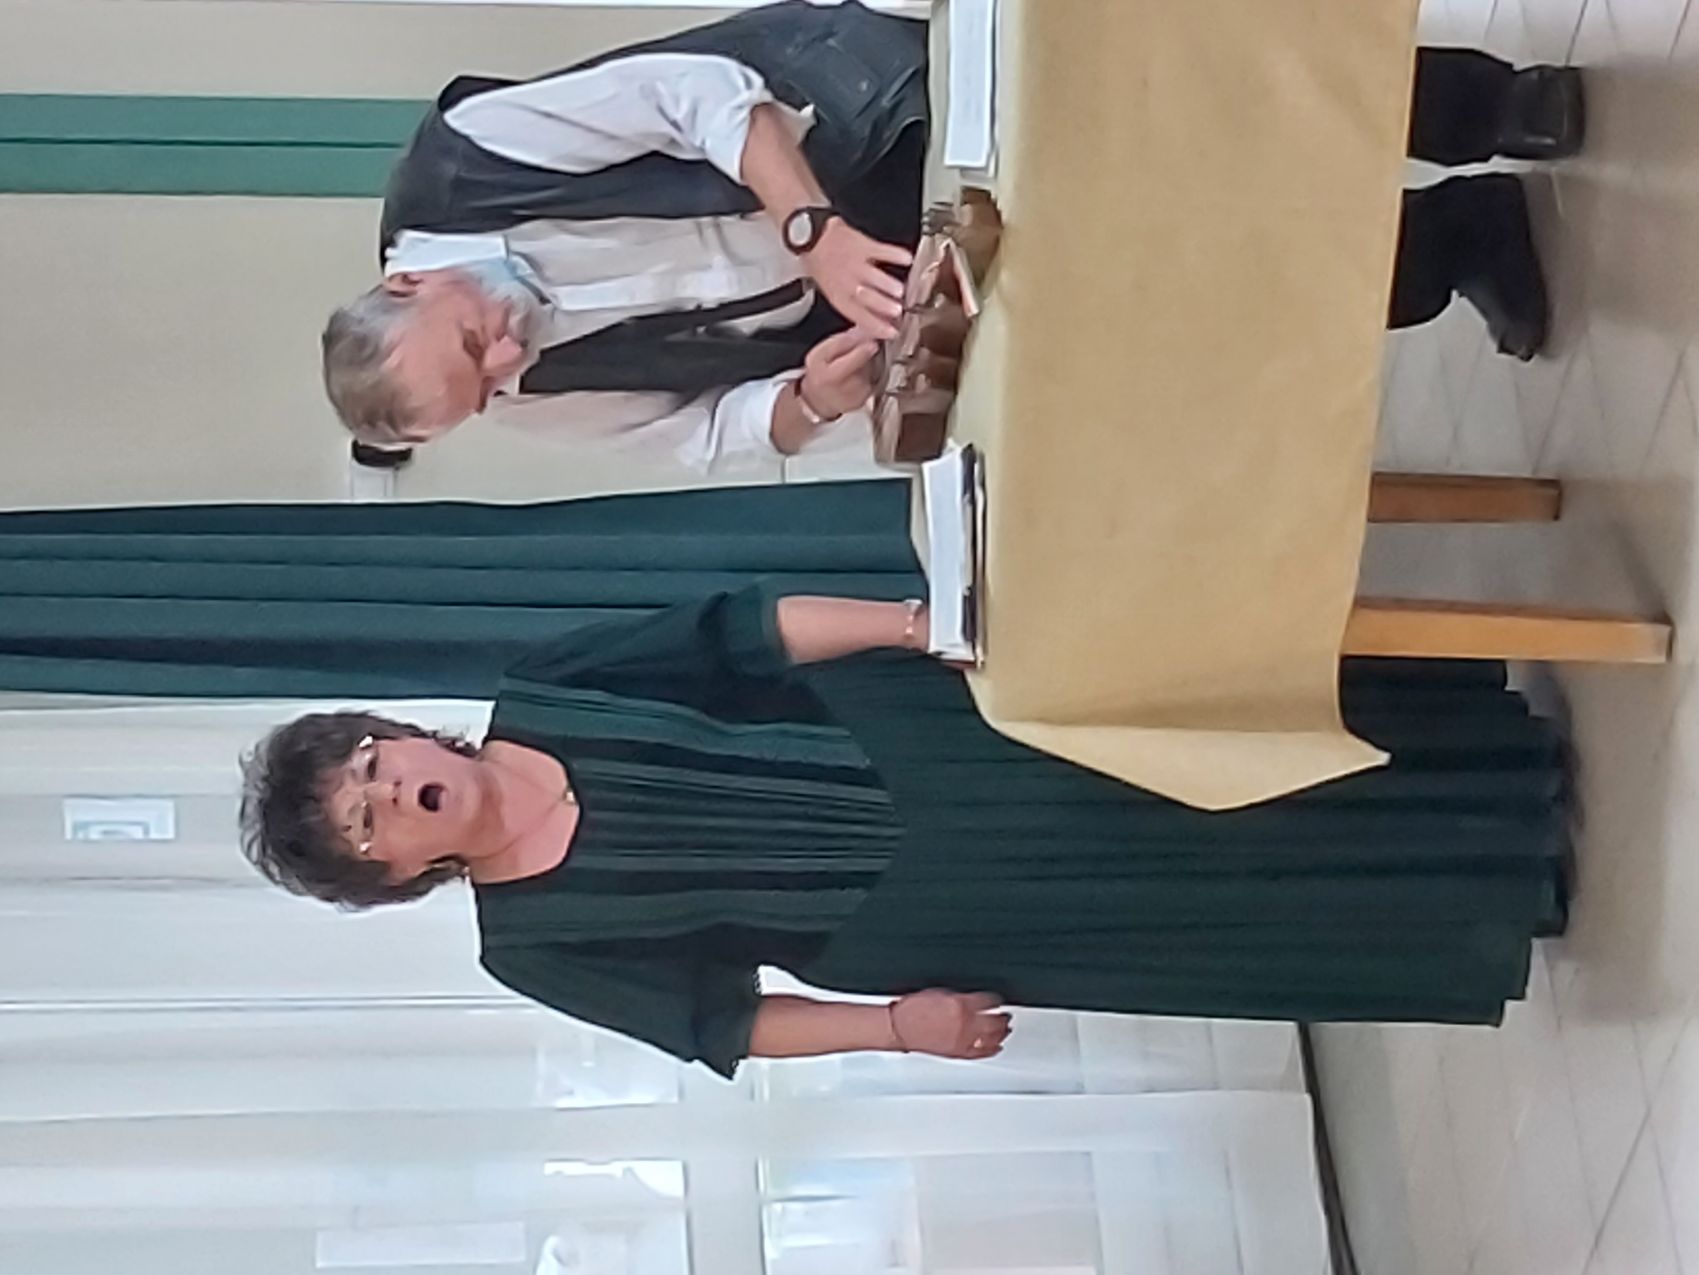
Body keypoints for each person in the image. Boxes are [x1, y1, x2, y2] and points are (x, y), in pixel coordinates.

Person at [240, 585, 1570, 1078]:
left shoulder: (548, 686)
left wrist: (909, 624)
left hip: (915, 736)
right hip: (916, 910)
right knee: (1209, 892)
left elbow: (740, 630)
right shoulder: (528, 946)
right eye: (365, 824)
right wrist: (893, 1026)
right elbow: (725, 1019)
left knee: (1187, 755)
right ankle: (1495, 885)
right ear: (391, 873)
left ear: (400, 733)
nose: (391, 792)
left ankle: (1495, 769)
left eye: (375, 764)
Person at [325, 8, 1585, 475]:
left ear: (412, 279)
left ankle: (1481, 106)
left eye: (475, 343)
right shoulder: (522, 395)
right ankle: (1446, 246)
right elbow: (700, 434)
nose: (510, 362)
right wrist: (806, 402)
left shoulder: (469, 158)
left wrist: (810, 230)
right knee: (1162, 298)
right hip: (852, 293)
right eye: (485, 392)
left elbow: (694, 93)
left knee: (1181, 119)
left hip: (844, 128)